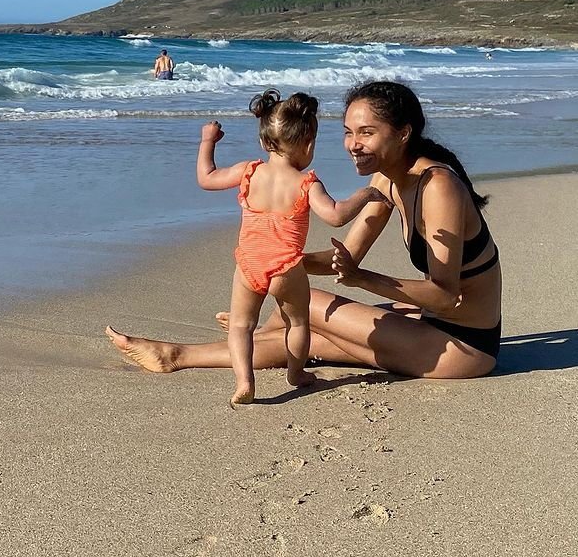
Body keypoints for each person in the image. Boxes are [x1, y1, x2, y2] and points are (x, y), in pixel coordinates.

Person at [107, 81, 502, 382]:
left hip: (462, 345)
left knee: (302, 304)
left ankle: (223, 338)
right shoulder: (385, 181)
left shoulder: (437, 186)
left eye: (366, 132)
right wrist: (268, 267)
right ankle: (175, 353)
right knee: (300, 318)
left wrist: (361, 279)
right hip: (428, 323)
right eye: (348, 132)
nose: (352, 144)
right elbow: (341, 259)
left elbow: (446, 296)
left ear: (403, 133)